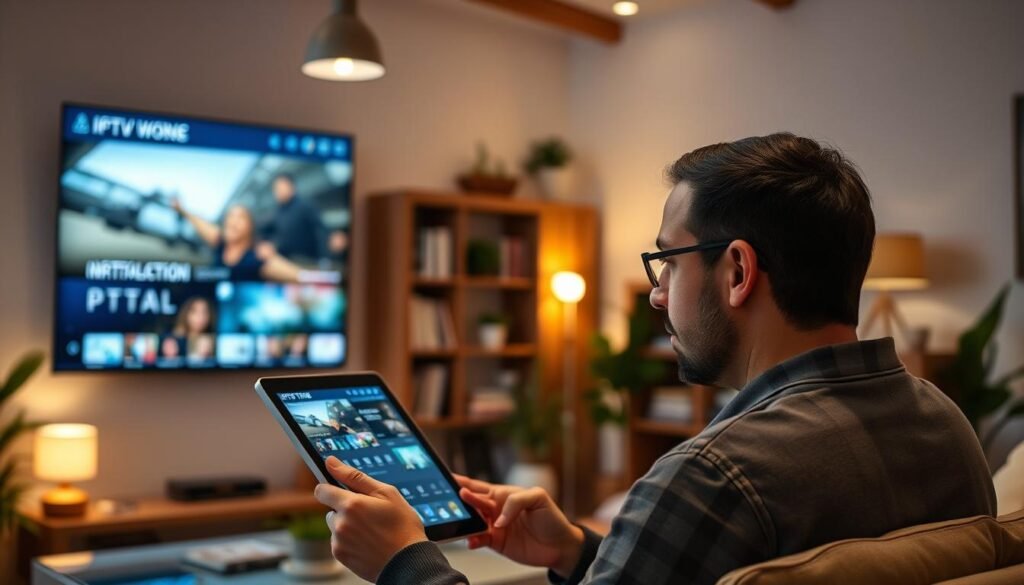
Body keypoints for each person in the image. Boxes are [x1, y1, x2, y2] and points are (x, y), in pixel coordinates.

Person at [313, 133, 996, 584]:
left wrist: (405, 562)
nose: (656, 294)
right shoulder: (948, 427)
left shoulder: (714, 477)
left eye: (667, 261)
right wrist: (579, 552)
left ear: (737, 271)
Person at [172, 199, 304, 282]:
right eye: (230, 216)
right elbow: (200, 223)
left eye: (240, 217)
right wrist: (181, 209)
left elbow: (301, 277)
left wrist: (273, 257)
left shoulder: (258, 256)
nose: (233, 222)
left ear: (250, 226)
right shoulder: (221, 243)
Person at [258, 173, 328, 263]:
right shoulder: (278, 211)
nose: (278, 191)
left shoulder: (305, 205)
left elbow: (320, 231)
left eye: (281, 187)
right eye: (275, 189)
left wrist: (324, 258)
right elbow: (269, 231)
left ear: (292, 187)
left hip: (308, 259)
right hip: (286, 259)